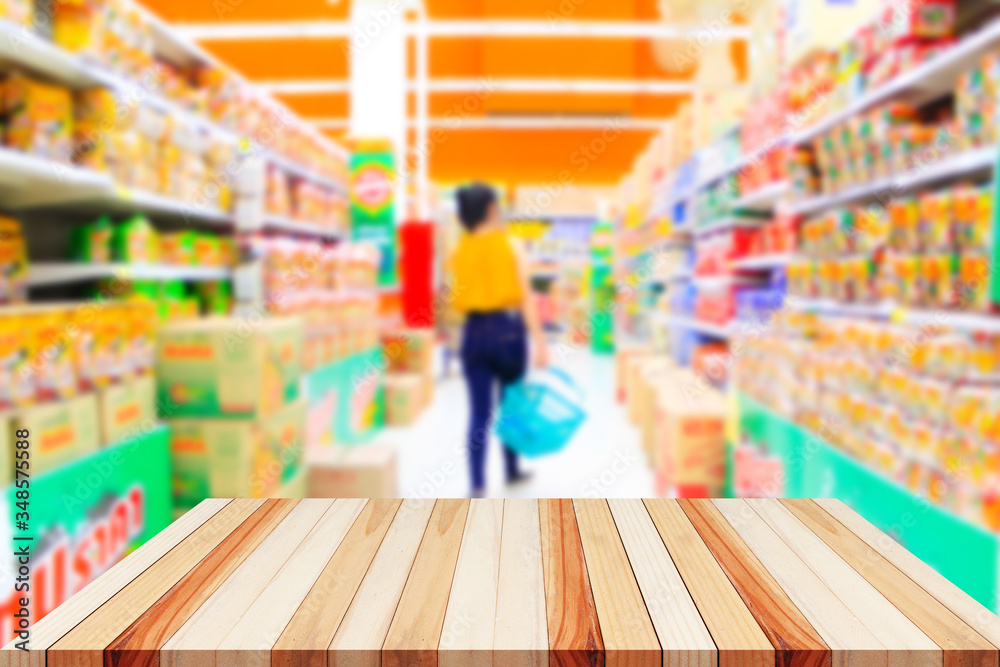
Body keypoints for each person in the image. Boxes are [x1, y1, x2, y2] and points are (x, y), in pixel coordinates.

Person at [450, 183, 548, 497]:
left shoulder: (459, 249)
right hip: (507, 332)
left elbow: (456, 296)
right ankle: (511, 471)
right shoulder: (511, 245)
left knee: (478, 412)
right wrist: (540, 341)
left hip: (473, 332)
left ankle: (477, 484)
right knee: (511, 407)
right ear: (492, 208)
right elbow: (526, 299)